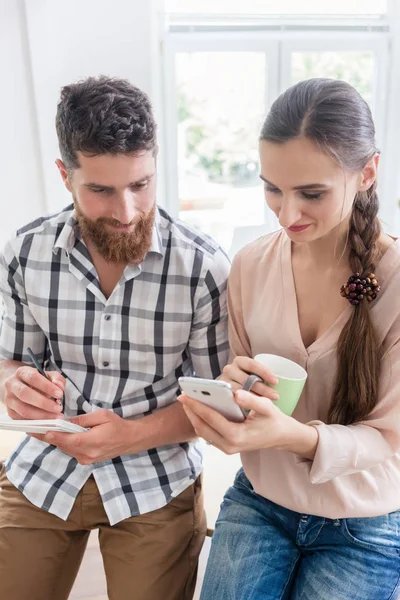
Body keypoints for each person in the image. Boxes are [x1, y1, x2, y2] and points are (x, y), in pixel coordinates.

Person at [0, 76, 230, 600]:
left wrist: (128, 435)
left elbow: (215, 404)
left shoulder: (203, 267)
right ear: (65, 175)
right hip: (43, 468)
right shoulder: (25, 253)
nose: (126, 212)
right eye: (101, 190)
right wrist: (13, 386)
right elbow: (10, 362)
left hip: (155, 477)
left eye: (140, 185)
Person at [179, 78, 400, 600]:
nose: (287, 214)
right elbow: (242, 378)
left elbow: (389, 439)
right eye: (272, 188)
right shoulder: (251, 264)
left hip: (363, 522)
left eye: (312, 193)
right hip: (261, 498)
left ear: (367, 172)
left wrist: (290, 436)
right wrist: (234, 389)